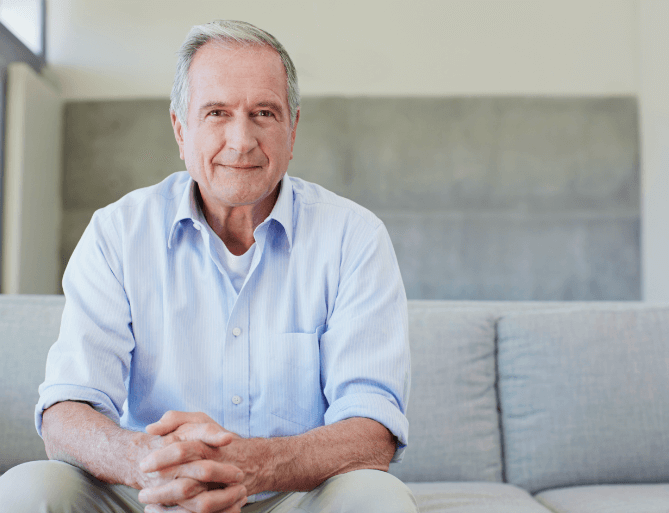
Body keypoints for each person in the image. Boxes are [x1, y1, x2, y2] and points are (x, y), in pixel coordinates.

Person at [0, 20, 416, 513]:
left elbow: (373, 432)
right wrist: (151, 461)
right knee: (28, 490)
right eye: (217, 112)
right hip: (150, 490)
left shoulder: (354, 238)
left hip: (294, 497)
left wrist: (254, 464)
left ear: (293, 128)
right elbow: (67, 411)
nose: (241, 140)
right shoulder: (117, 233)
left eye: (264, 113)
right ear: (181, 128)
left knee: (378, 497)